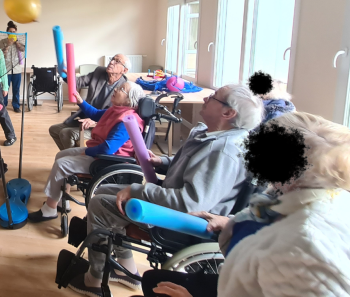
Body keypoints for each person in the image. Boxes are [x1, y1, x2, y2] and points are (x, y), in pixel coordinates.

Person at [134, 112, 350, 297]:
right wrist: (229, 222)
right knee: (154, 280)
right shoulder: (332, 196)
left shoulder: (303, 243)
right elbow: (275, 217)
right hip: (248, 279)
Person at [68, 84, 264, 294]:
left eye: (213, 97)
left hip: (185, 219)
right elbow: (192, 166)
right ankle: (127, 269)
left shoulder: (223, 152)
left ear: (228, 113)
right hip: (173, 199)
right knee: (104, 190)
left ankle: (94, 279)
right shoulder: (210, 134)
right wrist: (161, 161)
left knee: (100, 204)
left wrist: (137, 191)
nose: (206, 98)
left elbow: (189, 203)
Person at [28, 82, 145, 223]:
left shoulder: (127, 120)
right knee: (61, 155)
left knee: (61, 164)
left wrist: (88, 152)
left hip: (108, 161)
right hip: (101, 153)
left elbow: (108, 149)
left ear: (129, 100)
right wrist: (81, 102)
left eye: (121, 89)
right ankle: (62, 201)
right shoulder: (117, 111)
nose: (116, 90)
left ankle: (49, 210)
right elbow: (95, 114)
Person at [49, 54, 130, 151]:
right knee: (54, 130)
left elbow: (115, 113)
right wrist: (67, 75)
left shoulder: (124, 88)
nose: (111, 62)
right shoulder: (99, 71)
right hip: (85, 116)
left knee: (65, 133)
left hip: (102, 124)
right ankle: (72, 155)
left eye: (117, 61)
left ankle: (75, 157)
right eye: (112, 59)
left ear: (124, 70)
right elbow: (79, 82)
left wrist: (95, 120)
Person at [0, 21, 25, 113]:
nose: (12, 33)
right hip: (6, 70)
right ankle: (4, 105)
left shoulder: (19, 41)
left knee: (16, 89)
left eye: (14, 32)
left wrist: (17, 42)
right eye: (10, 32)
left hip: (17, 70)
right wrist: (8, 44)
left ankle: (16, 106)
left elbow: (23, 49)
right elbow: (0, 53)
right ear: (7, 32)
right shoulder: (3, 41)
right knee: (5, 88)